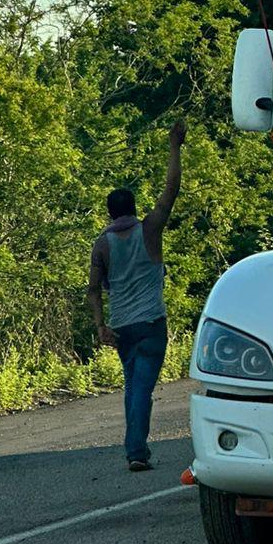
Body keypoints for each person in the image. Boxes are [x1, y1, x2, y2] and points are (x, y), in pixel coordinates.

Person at [87, 121, 186, 471]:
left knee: (133, 388)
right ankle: (136, 452)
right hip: (152, 325)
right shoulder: (150, 229)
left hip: (124, 328)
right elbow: (170, 191)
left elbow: (93, 289)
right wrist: (174, 147)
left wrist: (100, 326)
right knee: (141, 389)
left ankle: (135, 448)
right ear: (133, 207)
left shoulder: (102, 244)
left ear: (110, 212)